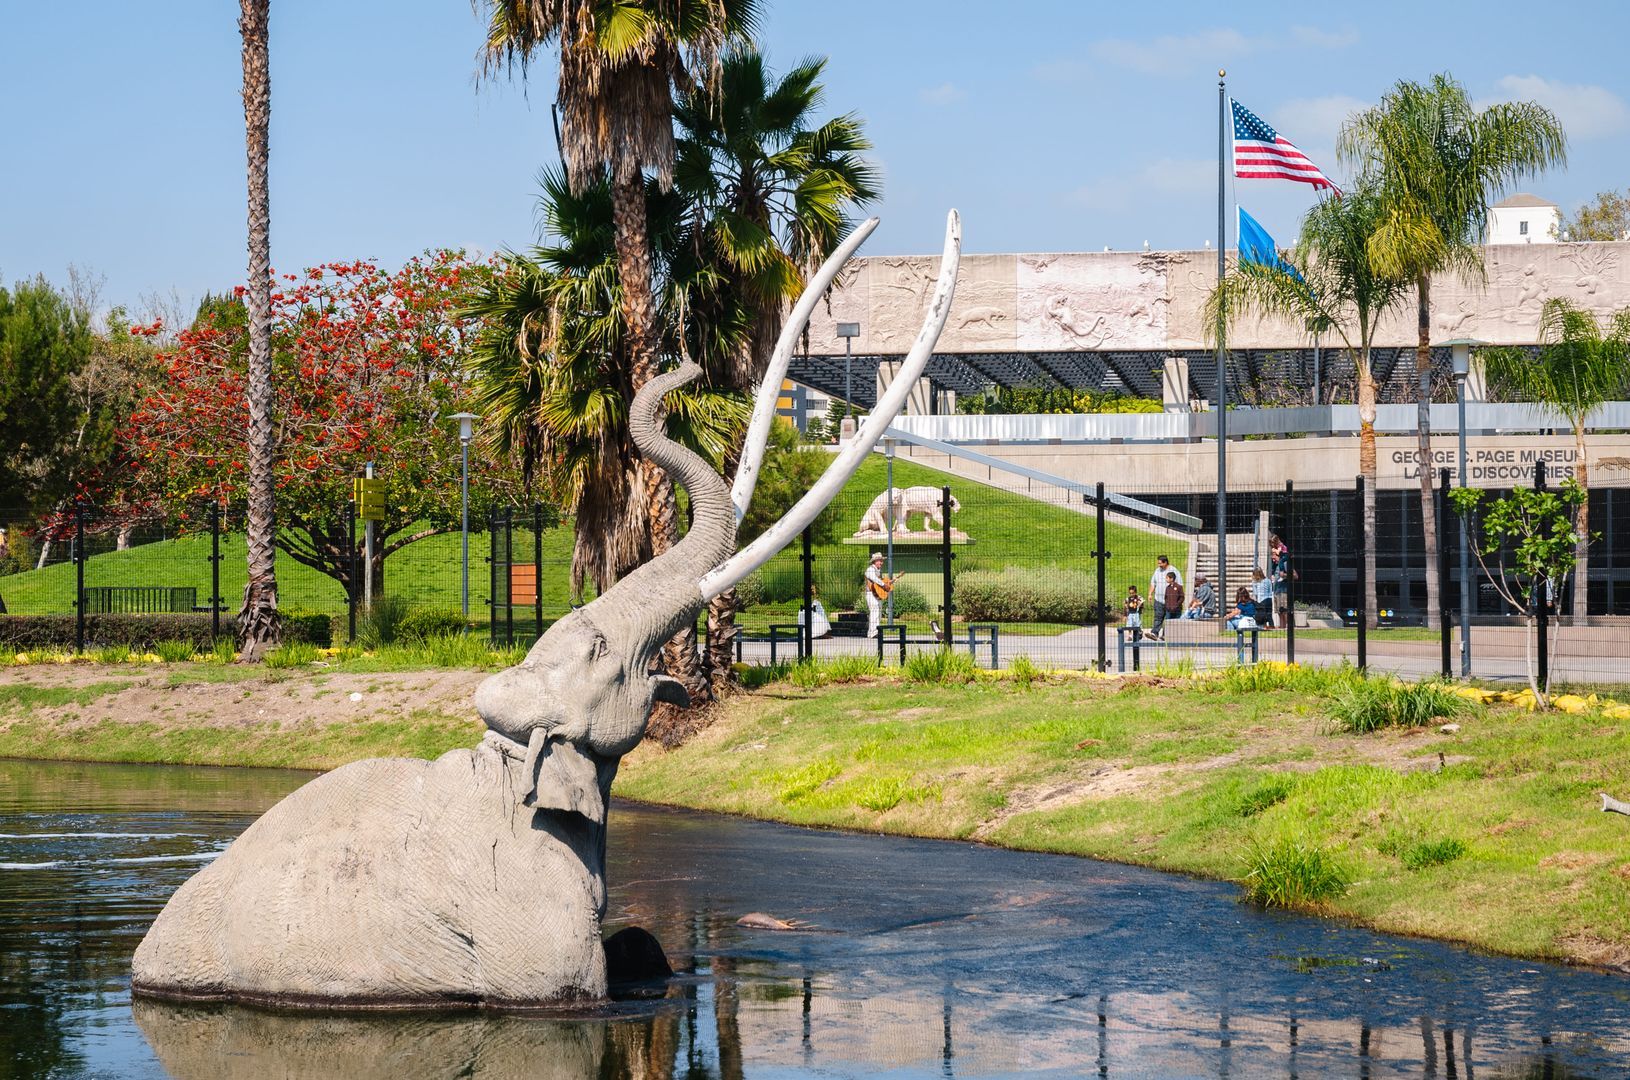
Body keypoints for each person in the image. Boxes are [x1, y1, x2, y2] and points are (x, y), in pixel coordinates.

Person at [862, 552, 892, 638]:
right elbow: (874, 579)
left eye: (882, 561)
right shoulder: (870, 569)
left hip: (876, 594)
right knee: (874, 612)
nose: (881, 563)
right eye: (880, 561)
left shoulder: (878, 571)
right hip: (871, 594)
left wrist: (887, 583)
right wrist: (884, 585)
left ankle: (875, 632)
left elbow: (878, 582)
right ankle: (873, 633)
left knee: (878, 612)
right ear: (875, 561)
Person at [1149, 570, 1183, 640]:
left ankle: (1175, 636)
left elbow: (1182, 597)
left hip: (1177, 609)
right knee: (1167, 621)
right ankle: (1165, 635)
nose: (1166, 579)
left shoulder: (1179, 587)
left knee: (1176, 622)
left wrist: (1177, 605)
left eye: (1167, 578)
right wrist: (1167, 605)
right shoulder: (1168, 588)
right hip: (1169, 609)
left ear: (1172, 579)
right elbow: (1166, 597)